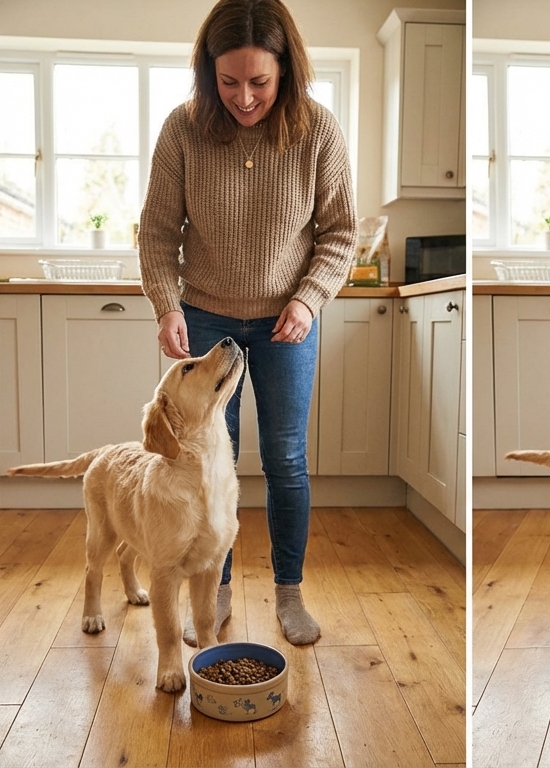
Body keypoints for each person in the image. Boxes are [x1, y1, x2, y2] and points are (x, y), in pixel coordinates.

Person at [139, 0, 355, 648]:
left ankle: (289, 592)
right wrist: (168, 305)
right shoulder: (183, 129)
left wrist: (309, 299)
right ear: (209, 74)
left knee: (286, 459)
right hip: (206, 316)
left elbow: (339, 233)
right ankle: (219, 587)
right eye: (228, 82)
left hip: (289, 319)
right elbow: (156, 234)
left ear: (286, 70)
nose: (244, 97)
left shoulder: (317, 129)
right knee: (211, 460)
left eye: (258, 82)